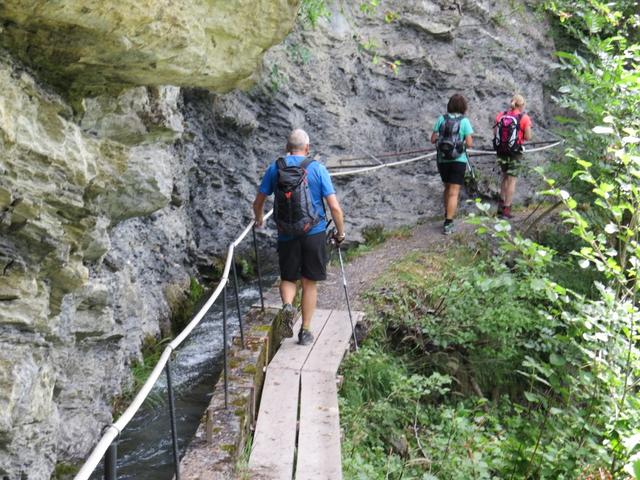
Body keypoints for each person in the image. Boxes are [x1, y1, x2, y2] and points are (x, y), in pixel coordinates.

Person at [253, 129, 346, 346]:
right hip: (314, 232)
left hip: (287, 233)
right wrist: (340, 233)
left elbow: (258, 202)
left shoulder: (274, 169)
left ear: (287, 148)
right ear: (308, 148)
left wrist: (259, 219)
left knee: (288, 278)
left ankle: (287, 306)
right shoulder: (317, 168)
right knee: (309, 281)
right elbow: (334, 207)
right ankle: (305, 331)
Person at [430, 94, 474, 235]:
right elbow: (470, 143)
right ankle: (448, 223)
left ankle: (446, 214)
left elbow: (433, 139)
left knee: (447, 188)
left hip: (443, 160)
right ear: (463, 107)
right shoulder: (465, 121)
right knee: (454, 192)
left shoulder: (441, 119)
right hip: (458, 160)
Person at [494, 94, 533, 219]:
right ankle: (507, 210)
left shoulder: (501, 115)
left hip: (501, 151)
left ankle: (500, 209)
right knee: (512, 180)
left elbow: (495, 133)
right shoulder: (524, 118)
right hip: (515, 152)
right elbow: (528, 137)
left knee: (504, 178)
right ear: (521, 105)